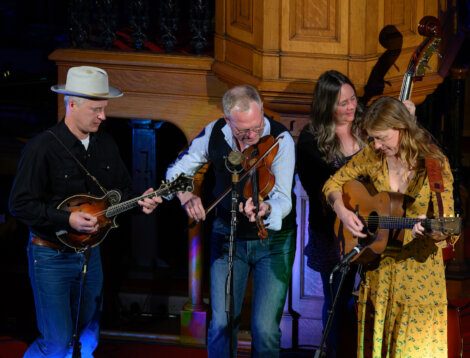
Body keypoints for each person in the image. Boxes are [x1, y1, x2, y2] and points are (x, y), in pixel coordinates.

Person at [9, 66, 162, 357]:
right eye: (96, 109)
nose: (103, 116)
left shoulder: (105, 143)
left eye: (104, 108)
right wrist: (66, 218)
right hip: (50, 256)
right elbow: (19, 204)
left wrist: (140, 201)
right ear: (72, 104)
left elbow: (122, 193)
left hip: (92, 257)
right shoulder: (42, 148)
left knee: (88, 335)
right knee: (56, 342)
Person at [166, 85, 296, 357]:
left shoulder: (281, 139)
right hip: (227, 235)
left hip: (272, 242)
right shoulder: (214, 132)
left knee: (265, 329)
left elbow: (284, 200)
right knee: (222, 324)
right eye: (243, 131)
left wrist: (266, 209)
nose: (251, 137)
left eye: (257, 128)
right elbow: (175, 172)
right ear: (227, 120)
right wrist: (186, 195)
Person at [323, 96, 457, 357]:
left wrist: (434, 230)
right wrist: (343, 210)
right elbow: (332, 184)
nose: (376, 144)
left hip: (419, 280)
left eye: (382, 137)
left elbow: (449, 227)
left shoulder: (433, 163)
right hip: (379, 274)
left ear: (402, 128)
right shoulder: (373, 157)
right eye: (373, 138)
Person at [296, 70, 365, 357]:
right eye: (342, 103)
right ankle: (335, 352)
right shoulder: (311, 138)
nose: (350, 108)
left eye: (352, 100)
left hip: (370, 225)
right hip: (332, 232)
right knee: (339, 300)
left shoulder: (365, 127)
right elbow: (318, 188)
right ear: (326, 106)